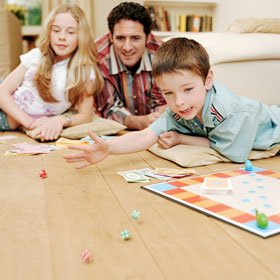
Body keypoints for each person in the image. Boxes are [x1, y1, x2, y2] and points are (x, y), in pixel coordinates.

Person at [64, 37, 280, 168]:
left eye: (188, 89)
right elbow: (146, 135)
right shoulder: (179, 108)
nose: (179, 102)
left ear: (208, 80)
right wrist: (109, 147)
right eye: (168, 93)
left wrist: (181, 139)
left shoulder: (230, 113)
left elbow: (231, 153)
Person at [0, 4, 103, 141]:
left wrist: (61, 120)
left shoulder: (85, 71)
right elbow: (2, 92)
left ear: (81, 36)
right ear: (49, 32)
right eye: (56, 30)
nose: (62, 37)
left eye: (70, 32)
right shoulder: (36, 56)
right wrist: (29, 122)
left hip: (6, 122)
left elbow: (85, 115)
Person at [94, 1, 166, 130]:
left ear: (148, 37)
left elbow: (165, 100)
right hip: (117, 130)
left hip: (157, 129)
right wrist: (138, 122)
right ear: (111, 36)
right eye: (120, 38)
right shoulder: (97, 57)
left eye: (135, 38)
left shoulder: (164, 55)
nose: (127, 47)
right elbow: (108, 108)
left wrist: (159, 116)